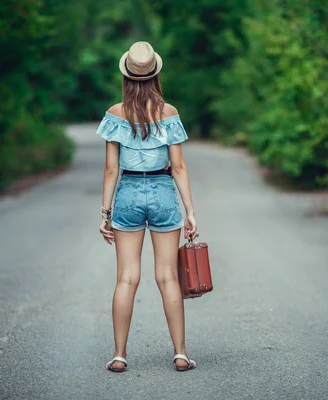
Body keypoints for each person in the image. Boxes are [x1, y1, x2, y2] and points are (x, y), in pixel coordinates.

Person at [96, 41, 199, 373]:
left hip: (126, 193)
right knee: (168, 277)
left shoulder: (115, 114)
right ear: (155, 74)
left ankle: (119, 355)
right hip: (162, 192)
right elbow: (179, 167)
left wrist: (106, 212)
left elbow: (111, 168)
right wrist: (190, 211)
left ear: (127, 75)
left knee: (126, 278)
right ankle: (180, 353)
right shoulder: (168, 113)